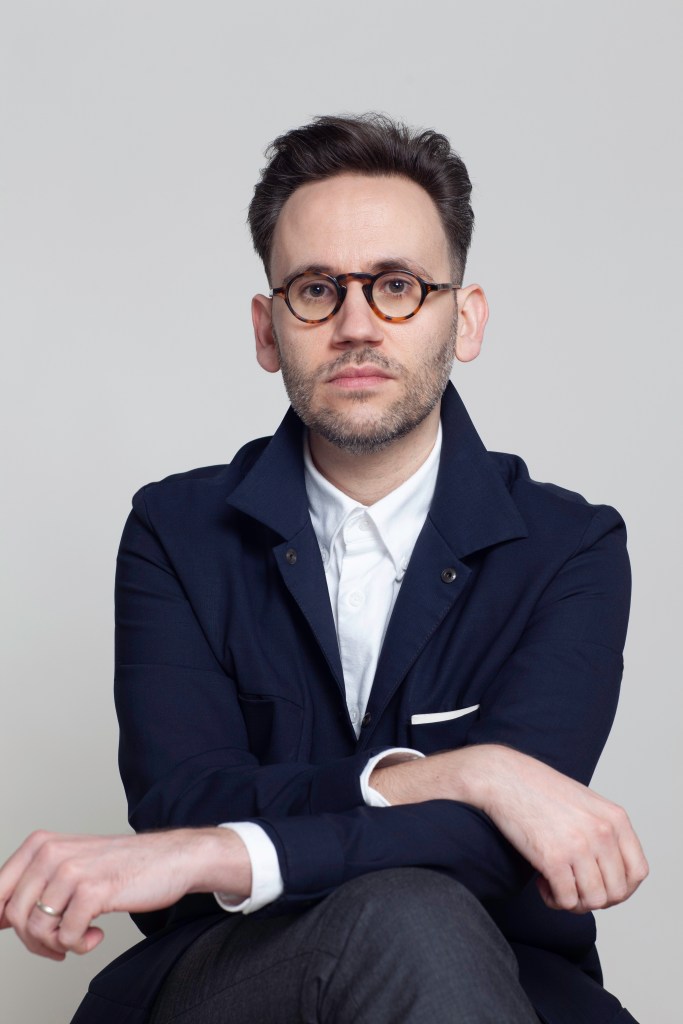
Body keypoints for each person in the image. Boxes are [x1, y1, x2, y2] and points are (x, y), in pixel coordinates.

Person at [0, 114, 648, 1024]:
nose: (354, 325)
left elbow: (498, 849)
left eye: (396, 286)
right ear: (267, 330)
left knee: (421, 915)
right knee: (407, 915)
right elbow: (183, 799)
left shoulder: (568, 547)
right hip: (234, 976)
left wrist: (222, 850)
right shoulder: (174, 531)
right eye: (314, 290)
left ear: (464, 320)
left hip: (501, 978)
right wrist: (465, 773)